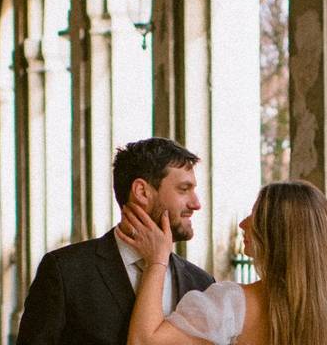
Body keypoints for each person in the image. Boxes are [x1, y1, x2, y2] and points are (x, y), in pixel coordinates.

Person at [122, 180, 327, 345]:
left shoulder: (234, 305)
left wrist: (157, 260)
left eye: (255, 215)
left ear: (277, 234)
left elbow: (144, 341)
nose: (243, 223)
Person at [16, 138, 214, 345]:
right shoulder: (65, 271)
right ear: (142, 191)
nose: (196, 203)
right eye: (184, 189)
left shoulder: (202, 283)